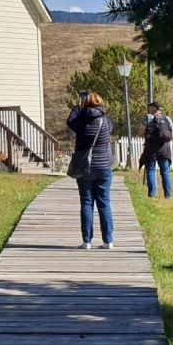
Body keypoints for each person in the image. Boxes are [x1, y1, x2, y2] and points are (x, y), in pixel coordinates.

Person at [67, 91, 115, 250]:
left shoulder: (80, 121)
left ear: (84, 104)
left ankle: (87, 241)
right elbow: (111, 130)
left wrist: (76, 108)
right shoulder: (105, 121)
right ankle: (108, 241)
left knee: (86, 203)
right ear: (100, 104)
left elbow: (70, 121)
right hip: (103, 167)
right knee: (104, 203)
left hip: (84, 167)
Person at [139, 102, 173, 199]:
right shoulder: (167, 119)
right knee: (165, 172)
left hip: (151, 149)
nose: (148, 109)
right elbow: (172, 135)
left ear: (154, 108)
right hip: (164, 149)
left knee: (150, 170)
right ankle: (168, 196)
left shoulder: (148, 118)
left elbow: (141, 133)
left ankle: (152, 195)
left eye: (149, 107)